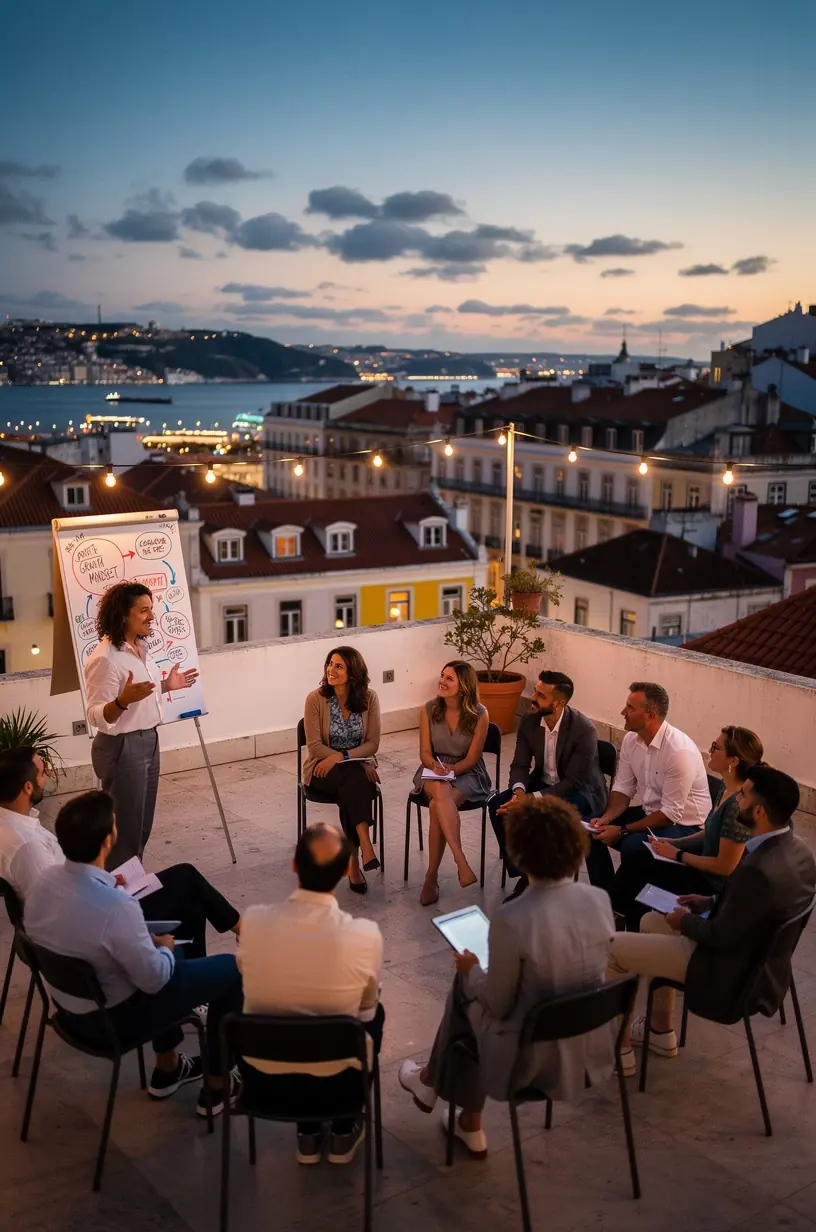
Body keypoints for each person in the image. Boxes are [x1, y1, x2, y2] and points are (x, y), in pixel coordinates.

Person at [398, 797, 616, 1156]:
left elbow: (498, 1004)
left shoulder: (512, 918)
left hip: (527, 1060)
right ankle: (455, 1109)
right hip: (586, 1050)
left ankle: (437, 1087)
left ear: (519, 851)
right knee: (473, 987)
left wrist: (471, 972)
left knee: (466, 988)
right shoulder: (598, 900)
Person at [24, 791, 243, 1115]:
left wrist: (106, 888)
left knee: (181, 922)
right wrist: (166, 949)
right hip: (114, 1021)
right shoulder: (117, 907)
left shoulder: (44, 882)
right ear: (108, 839)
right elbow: (154, 980)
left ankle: (168, 1069)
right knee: (230, 969)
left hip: (70, 1010)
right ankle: (218, 1084)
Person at [608, 764, 815, 1072]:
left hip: (727, 972)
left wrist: (684, 921)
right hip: (759, 963)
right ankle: (660, 1030)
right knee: (651, 921)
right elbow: (756, 907)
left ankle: (616, 1051)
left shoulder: (758, 870)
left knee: (613, 947)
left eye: (743, 797)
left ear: (759, 811)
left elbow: (719, 935)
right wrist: (708, 900)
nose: (736, 802)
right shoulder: (798, 851)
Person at [0, 746, 241, 959]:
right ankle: (240, 932)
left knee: (190, 898)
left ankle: (192, 987)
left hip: (90, 904)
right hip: (96, 924)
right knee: (187, 879)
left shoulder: (12, 825)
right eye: (42, 772)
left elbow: (61, 886)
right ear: (28, 786)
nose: (47, 776)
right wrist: (108, 893)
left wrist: (102, 880)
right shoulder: (26, 846)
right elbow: (58, 906)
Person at [237, 822, 384, 1166]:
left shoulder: (254, 922)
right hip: (337, 1084)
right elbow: (364, 1014)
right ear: (342, 873)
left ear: (293, 866)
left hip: (262, 1081)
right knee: (372, 1013)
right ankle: (345, 1126)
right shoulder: (365, 935)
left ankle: (307, 1133)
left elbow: (246, 977)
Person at [85, 581, 199, 869]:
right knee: (124, 831)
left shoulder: (140, 647)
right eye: (144, 610)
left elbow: (138, 693)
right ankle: (118, 896)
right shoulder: (105, 659)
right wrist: (122, 701)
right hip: (123, 747)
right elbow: (98, 715)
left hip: (149, 740)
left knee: (142, 828)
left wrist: (165, 685)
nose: (152, 617)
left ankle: (133, 888)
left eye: (152, 609)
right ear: (124, 614)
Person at [610, 727, 763, 931]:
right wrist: (673, 844)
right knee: (638, 858)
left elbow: (725, 867)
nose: (710, 751)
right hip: (699, 867)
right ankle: (624, 921)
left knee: (639, 866)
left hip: (710, 886)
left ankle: (626, 924)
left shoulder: (737, 804)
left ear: (733, 761)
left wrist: (678, 854)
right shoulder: (726, 790)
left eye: (715, 747)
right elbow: (709, 833)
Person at [489, 670, 607, 901]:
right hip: (541, 783)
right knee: (498, 806)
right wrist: (519, 792)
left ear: (559, 703)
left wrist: (531, 800)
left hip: (581, 791)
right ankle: (526, 875)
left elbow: (574, 782)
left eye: (541, 695)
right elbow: (520, 764)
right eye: (535, 691)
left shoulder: (583, 729)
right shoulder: (529, 721)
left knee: (543, 818)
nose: (533, 697)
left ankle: (549, 880)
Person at [586, 682, 711, 893]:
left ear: (650, 715)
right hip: (652, 812)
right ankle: (605, 897)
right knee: (591, 829)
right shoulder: (630, 740)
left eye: (630, 708)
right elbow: (623, 788)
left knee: (632, 846)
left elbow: (670, 813)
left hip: (685, 826)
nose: (622, 712)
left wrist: (622, 830)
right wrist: (607, 818)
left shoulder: (679, 752)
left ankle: (620, 904)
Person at [303, 647, 381, 895]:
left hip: (352, 767)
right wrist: (346, 759)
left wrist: (344, 757)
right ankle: (365, 847)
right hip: (321, 770)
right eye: (329, 664)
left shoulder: (369, 698)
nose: (331, 670)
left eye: (339, 666)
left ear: (354, 671)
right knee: (357, 780)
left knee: (353, 783)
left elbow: (373, 743)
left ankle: (353, 861)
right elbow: (315, 746)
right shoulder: (315, 699)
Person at [412, 661, 490, 906]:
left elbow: (472, 757)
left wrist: (453, 770)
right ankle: (460, 861)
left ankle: (431, 877)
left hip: (467, 772)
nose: (442, 682)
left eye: (449, 679)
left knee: (438, 805)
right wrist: (436, 767)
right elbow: (425, 752)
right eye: (442, 675)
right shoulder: (427, 709)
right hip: (433, 768)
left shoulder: (480, 714)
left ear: (463, 687)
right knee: (441, 791)